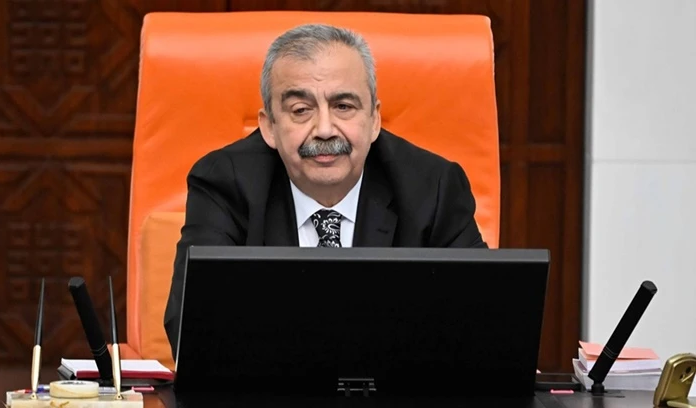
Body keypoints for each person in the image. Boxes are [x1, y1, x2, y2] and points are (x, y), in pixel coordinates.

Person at [164, 23, 487, 357]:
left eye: (343, 106)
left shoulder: (433, 187)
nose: (324, 129)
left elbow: (482, 324)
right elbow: (192, 330)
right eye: (301, 110)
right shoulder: (225, 183)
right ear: (269, 126)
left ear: (374, 120)